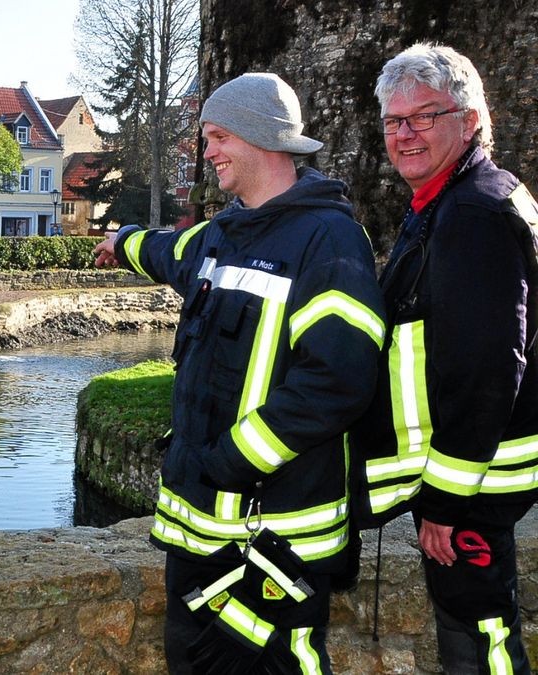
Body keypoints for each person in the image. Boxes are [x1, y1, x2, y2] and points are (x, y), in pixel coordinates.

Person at [93, 73, 386, 672]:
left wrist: (232, 459)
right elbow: (165, 252)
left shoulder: (329, 242)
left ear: (261, 139)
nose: (208, 152)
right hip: (201, 531)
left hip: (275, 536)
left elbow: (339, 380)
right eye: (206, 138)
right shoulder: (224, 233)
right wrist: (121, 241)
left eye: (218, 136)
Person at [348, 43, 538, 673]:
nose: (405, 134)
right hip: (477, 477)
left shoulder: (472, 214)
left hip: (475, 486)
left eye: (424, 116)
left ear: (471, 120)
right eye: (394, 122)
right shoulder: (453, 200)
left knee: (478, 637)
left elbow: (487, 368)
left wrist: (445, 502)